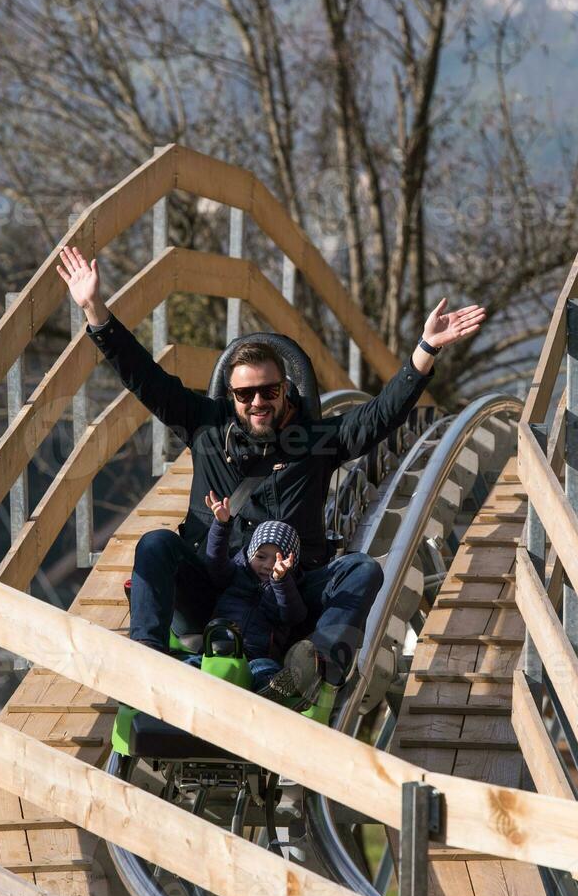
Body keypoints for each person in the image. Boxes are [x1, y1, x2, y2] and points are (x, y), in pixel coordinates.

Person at [56, 244, 487, 692]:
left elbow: (381, 415)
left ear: (285, 389)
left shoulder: (319, 439)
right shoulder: (206, 425)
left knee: (363, 570)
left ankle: (315, 665)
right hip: (216, 586)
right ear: (231, 397)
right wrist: (95, 311)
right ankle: (147, 659)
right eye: (245, 395)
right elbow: (143, 377)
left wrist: (424, 351)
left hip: (291, 592)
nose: (258, 402)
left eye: (268, 390)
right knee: (155, 544)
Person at [200, 500, 320, 706]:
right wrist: (221, 525)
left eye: (277, 560)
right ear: (249, 555)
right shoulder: (236, 574)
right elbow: (215, 563)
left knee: (265, 670)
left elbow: (294, 615)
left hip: (256, 654)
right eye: (261, 557)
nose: (267, 565)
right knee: (193, 662)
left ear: (289, 564)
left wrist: (280, 580)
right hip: (216, 647)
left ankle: (274, 692)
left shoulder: (286, 588)